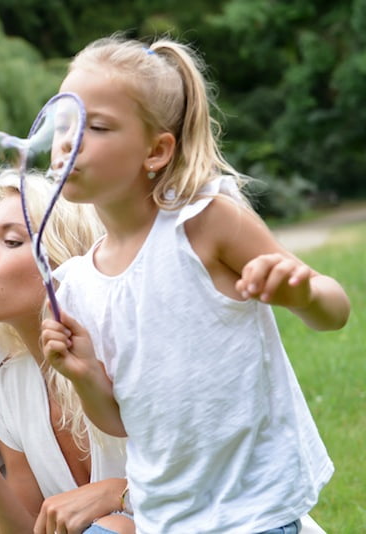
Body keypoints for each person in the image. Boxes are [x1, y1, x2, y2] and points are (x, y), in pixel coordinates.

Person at [40, 34, 350, 533]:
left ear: (156, 151)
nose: (69, 142)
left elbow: (335, 311)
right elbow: (121, 421)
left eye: (96, 127)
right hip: (168, 516)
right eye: (62, 125)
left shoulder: (203, 223)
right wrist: (84, 376)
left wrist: (303, 293)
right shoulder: (76, 282)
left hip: (254, 510)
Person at [0, 171, 135, 534]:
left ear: (63, 259)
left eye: (11, 241)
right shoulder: (10, 385)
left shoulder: (123, 360)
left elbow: (210, 476)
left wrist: (120, 494)